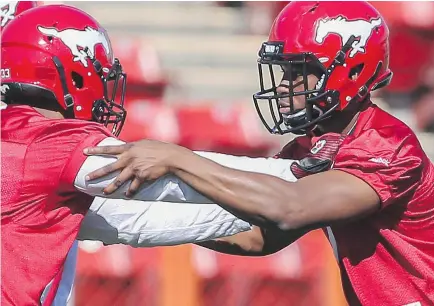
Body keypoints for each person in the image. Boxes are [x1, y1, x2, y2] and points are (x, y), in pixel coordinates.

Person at [83, 1, 434, 305]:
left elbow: (289, 208)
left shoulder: (387, 146)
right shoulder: (313, 145)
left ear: (351, 71)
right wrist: (122, 227)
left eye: (298, 72)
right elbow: (259, 236)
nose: (284, 85)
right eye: (284, 70)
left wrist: (179, 159)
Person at [1, 4, 304, 305]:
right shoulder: (48, 142)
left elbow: (133, 222)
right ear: (75, 77)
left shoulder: (15, 137)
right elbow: (155, 194)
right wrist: (294, 176)